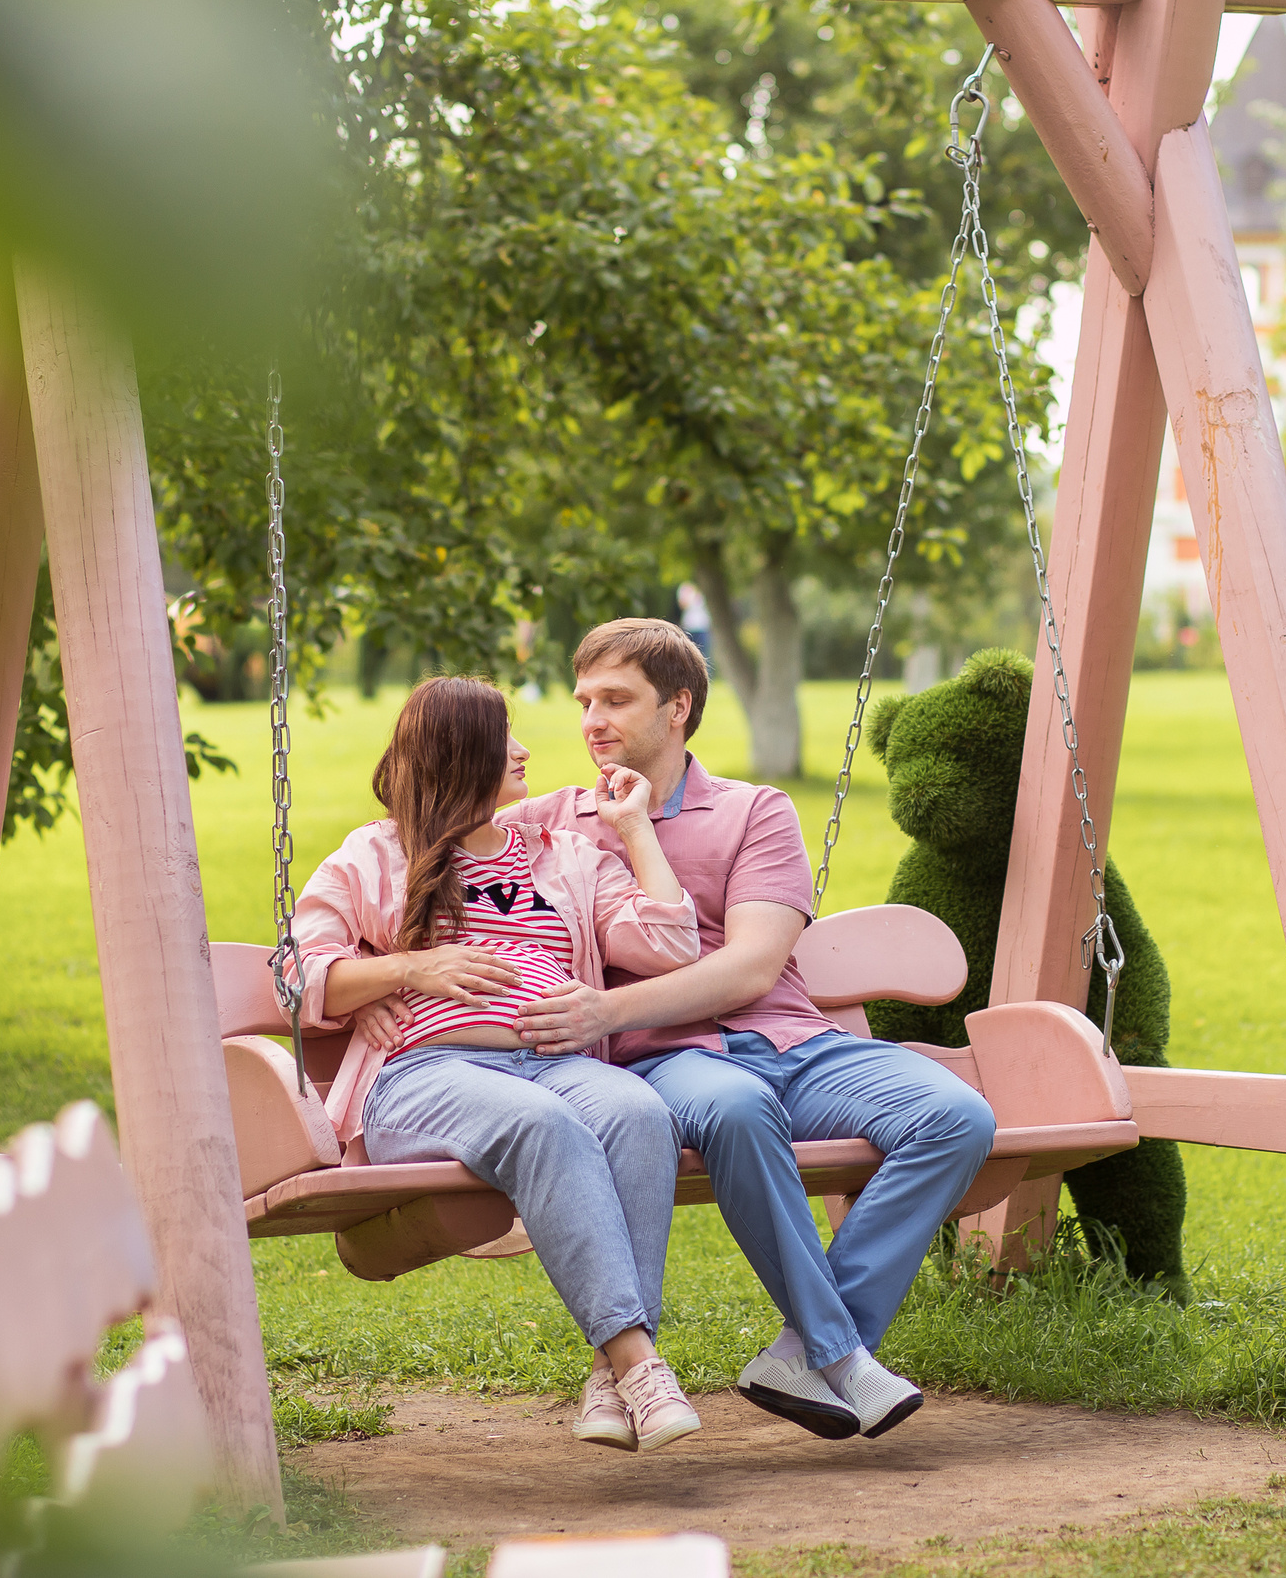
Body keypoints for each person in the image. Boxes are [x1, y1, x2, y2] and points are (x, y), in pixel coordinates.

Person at [504, 620, 997, 1442]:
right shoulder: (548, 824)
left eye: (616, 699)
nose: (593, 719)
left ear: (678, 708)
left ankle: (809, 1347)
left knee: (957, 1118)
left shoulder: (753, 811)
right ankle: (842, 1358)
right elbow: (438, 861)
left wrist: (607, 1007)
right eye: (585, 699)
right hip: (668, 1061)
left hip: (797, 1045)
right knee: (736, 1107)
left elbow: (752, 969)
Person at [291, 676, 705, 1453]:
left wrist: (635, 827)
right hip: (424, 1076)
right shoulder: (378, 853)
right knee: (542, 1124)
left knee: (639, 1111)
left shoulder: (569, 855)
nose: (523, 751)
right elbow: (297, 971)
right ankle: (642, 1366)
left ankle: (610, 1373)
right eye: (503, 737)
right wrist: (407, 970)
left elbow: (671, 946)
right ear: (460, 752)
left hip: (552, 1060)